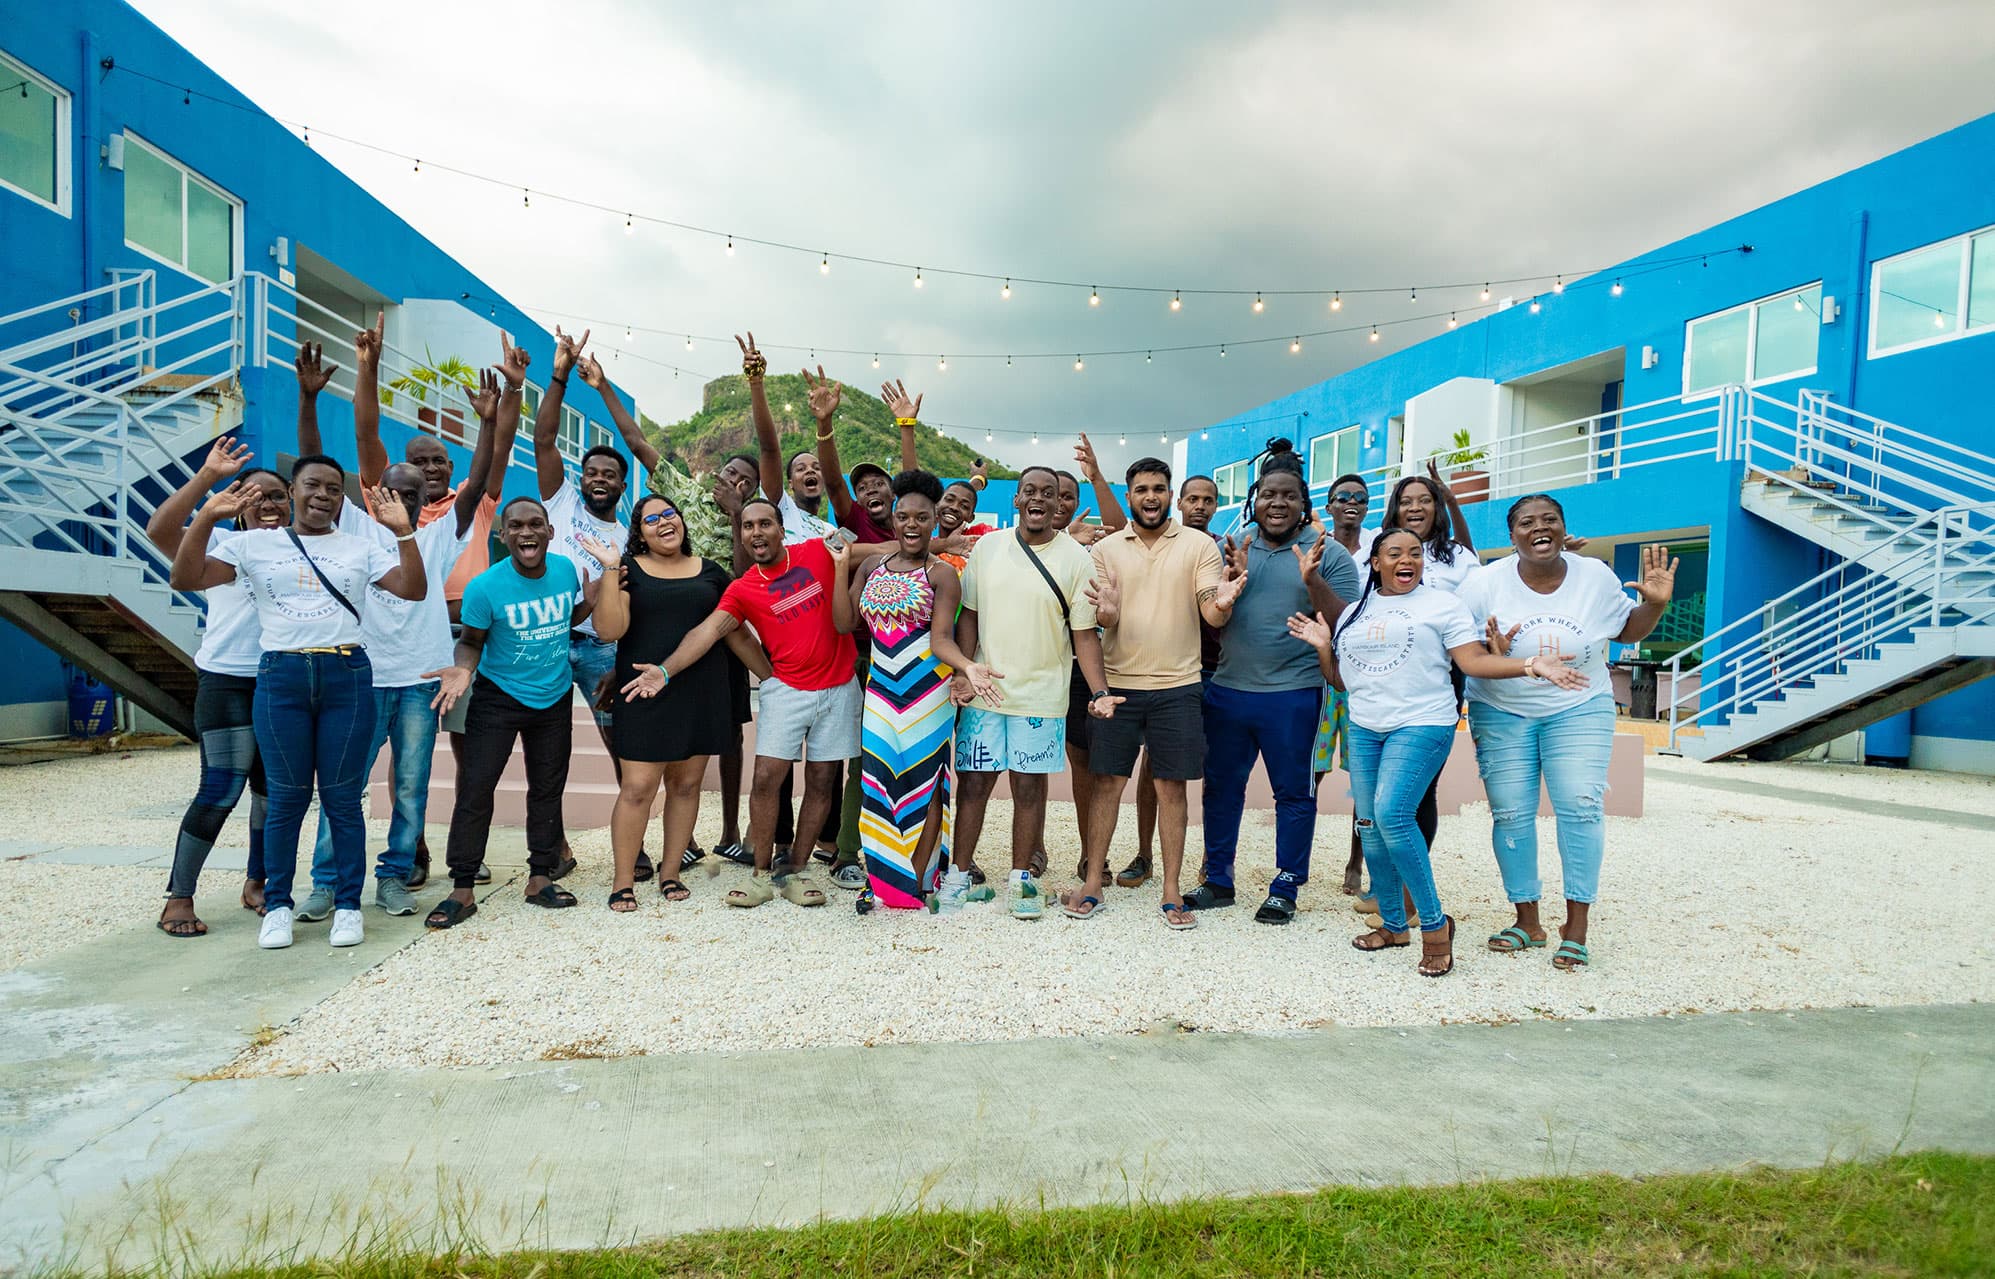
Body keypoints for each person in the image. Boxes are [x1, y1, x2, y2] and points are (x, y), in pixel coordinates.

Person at [1290, 528, 1587, 977]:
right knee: (1368, 826)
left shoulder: (1442, 605)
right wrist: (1321, 648)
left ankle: (1434, 927)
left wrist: (1531, 664)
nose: (1406, 559)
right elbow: (1342, 682)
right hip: (1367, 727)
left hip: (1424, 723)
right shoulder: (1354, 611)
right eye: (1394, 553)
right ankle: (1393, 925)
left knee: (1392, 814)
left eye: (1414, 553)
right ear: (1375, 563)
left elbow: (1472, 661)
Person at [304, 319, 530, 889]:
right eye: (397, 488)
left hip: (435, 665)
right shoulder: (355, 526)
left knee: (414, 779)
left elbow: (481, 479)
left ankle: (402, 868)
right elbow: (350, 446)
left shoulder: (440, 531)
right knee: (346, 779)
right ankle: (331, 879)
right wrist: (362, 370)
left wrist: (487, 420)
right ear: (377, 491)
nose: (407, 494)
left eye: (417, 490)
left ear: (433, 491)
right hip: (365, 671)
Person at [168, 457, 426, 951]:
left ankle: (348, 905)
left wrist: (404, 533)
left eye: (333, 488)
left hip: (346, 675)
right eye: (313, 485)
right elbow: (186, 577)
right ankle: (279, 905)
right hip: (281, 675)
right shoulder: (249, 544)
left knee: (342, 800)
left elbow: (413, 589)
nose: (323, 495)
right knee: (286, 800)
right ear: (293, 491)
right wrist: (205, 517)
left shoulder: (359, 546)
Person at [1458, 495, 1675, 970]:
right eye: (1527, 523)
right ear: (1512, 536)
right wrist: (1499, 654)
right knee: (1511, 813)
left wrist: (1655, 606)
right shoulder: (1483, 584)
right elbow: (1466, 649)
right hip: (1501, 709)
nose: (1540, 528)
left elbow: (1625, 629)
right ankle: (1527, 920)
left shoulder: (1593, 574)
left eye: (1550, 520)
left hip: (1578, 706)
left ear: (1563, 528)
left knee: (1580, 803)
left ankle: (1576, 927)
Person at [578, 349, 760, 870]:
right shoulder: (682, 502)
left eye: (748, 482)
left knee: (719, 741)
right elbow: (636, 442)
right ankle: (634, 866)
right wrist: (602, 386)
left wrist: (737, 516)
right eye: (730, 473)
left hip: (718, 638)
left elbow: (741, 589)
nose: (736, 483)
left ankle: (720, 835)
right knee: (647, 775)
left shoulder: (750, 524)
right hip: (652, 638)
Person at [646, 497, 859, 910]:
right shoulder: (743, 589)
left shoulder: (815, 550)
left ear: (782, 529)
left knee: (821, 782)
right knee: (765, 779)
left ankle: (795, 869)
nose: (756, 533)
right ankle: (761, 875)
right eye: (748, 527)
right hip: (786, 690)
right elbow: (706, 633)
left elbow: (876, 550)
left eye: (765, 524)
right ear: (741, 536)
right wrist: (665, 670)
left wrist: (945, 546)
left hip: (838, 687)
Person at [1185, 441, 1361, 924]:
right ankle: (1218, 879)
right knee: (1221, 789)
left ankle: (1286, 884)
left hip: (1295, 694)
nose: (1277, 503)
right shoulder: (1233, 546)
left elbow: (1348, 622)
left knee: (1294, 793)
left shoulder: (1330, 554)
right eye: (1268, 494)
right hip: (1228, 690)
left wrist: (1313, 581)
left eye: (1288, 495)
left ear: (1304, 502)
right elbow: (1211, 620)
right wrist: (1229, 584)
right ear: (1254, 501)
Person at [1067, 458, 1239, 926]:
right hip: (1118, 685)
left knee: (1171, 788)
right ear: (1129, 496)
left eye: (1159, 488)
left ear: (1170, 496)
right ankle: (1093, 884)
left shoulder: (1200, 545)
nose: (1150, 496)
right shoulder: (1105, 550)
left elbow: (1212, 611)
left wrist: (1222, 604)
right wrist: (1107, 613)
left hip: (1179, 687)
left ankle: (1170, 890)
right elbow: (1100, 619)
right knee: (1106, 784)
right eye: (1141, 489)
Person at [942, 466, 1111, 920]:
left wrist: (1099, 691)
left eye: (1049, 493)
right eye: (1030, 491)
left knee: (1029, 788)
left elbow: (1085, 636)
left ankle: (1021, 880)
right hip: (986, 691)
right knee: (974, 784)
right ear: (1016, 499)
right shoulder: (989, 548)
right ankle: (958, 875)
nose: (1038, 499)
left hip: (1041, 696)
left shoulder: (1076, 558)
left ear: (1060, 504)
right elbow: (969, 617)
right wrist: (963, 669)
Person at [591, 494, 772, 911]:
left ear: (682, 521)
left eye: (669, 514)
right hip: (642, 690)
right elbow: (609, 630)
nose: (663, 522)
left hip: (701, 691)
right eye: (651, 519)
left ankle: (670, 872)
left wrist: (772, 678)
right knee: (638, 788)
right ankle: (623, 881)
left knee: (686, 784)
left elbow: (735, 632)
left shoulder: (712, 573)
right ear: (640, 533)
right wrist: (608, 569)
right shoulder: (628, 571)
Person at [422, 498, 597, 929]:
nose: (526, 533)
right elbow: (472, 639)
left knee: (547, 790)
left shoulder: (565, 572)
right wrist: (463, 669)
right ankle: (462, 888)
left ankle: (540, 878)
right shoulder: (485, 587)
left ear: (549, 532)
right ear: (503, 536)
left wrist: (589, 606)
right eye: (515, 526)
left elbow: (563, 620)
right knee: (476, 791)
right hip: (497, 698)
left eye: (535, 524)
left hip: (553, 697)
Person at [832, 469, 997, 911]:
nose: (910, 524)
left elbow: (941, 639)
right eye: (903, 516)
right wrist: (837, 567)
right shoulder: (870, 565)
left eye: (921, 518)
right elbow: (845, 623)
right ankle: (881, 878)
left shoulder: (942, 574)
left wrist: (967, 667)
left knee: (926, 785)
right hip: (881, 693)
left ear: (932, 521)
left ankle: (916, 881)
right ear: (894, 518)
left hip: (928, 693)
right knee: (878, 784)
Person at [144, 436, 287, 936]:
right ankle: (178, 897)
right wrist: (208, 483)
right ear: (237, 505)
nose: (267, 503)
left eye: (276, 495)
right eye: (254, 495)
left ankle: (257, 883)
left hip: (280, 683)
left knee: (272, 794)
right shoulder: (222, 545)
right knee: (219, 789)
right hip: (227, 681)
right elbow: (160, 531)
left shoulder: (301, 549)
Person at [806, 369, 926, 888]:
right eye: (864, 486)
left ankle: (915, 854)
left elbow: (915, 483)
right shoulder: (856, 518)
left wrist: (906, 427)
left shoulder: (915, 525)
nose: (871, 489)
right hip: (863, 658)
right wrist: (825, 426)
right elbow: (833, 481)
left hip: (921, 662)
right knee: (864, 761)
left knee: (917, 763)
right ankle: (849, 852)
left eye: (881, 483)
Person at [1350, 465, 1479, 920]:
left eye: (1425, 500)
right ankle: (1389, 900)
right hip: (1379, 687)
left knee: (1409, 799)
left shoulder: (1455, 557)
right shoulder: (1375, 557)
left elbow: (1475, 610)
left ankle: (1413, 899)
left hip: (1434, 681)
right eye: (1406, 501)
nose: (1416, 507)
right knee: (1379, 809)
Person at [533, 326, 639, 879]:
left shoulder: (629, 537)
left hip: (600, 649)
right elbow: (545, 439)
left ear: (623, 485)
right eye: (593, 472)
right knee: (543, 747)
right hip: (545, 639)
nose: (600, 479)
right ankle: (554, 849)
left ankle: (634, 843)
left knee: (620, 743)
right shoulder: (561, 500)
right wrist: (558, 373)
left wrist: (621, 661)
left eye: (610, 475)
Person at [1119, 472, 1221, 890]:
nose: (1199, 506)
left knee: (1210, 770)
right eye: (1192, 498)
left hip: (1215, 669)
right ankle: (1144, 855)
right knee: (1152, 768)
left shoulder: (1217, 548)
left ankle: (1211, 860)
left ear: (1215, 506)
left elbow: (1217, 610)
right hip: (1166, 674)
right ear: (1179, 502)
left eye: (1208, 500)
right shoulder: (1148, 541)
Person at [1046, 438, 1127, 880]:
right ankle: (1084, 850)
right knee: (1075, 761)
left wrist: (1095, 476)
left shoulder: (1095, 542)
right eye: (1053, 495)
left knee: (1105, 763)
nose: (1060, 502)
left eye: (1068, 496)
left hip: (1102, 661)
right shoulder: (1037, 546)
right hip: (1055, 667)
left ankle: (1100, 853)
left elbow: (1119, 526)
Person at [1316, 472, 1372, 896]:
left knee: (1364, 777)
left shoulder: (1379, 548)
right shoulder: (1317, 548)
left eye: (1360, 497)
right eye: (1343, 497)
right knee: (1311, 771)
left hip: (1365, 677)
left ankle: (1357, 859)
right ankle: (1299, 854)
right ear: (1329, 505)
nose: (1352, 502)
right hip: (1319, 671)